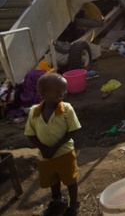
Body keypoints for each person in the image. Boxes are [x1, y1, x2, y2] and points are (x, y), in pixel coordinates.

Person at [25, 72, 82, 216]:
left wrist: (55, 147)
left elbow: (73, 130)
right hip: (45, 156)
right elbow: (30, 133)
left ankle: (74, 204)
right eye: (57, 91)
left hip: (64, 152)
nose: (62, 93)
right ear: (44, 93)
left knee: (70, 179)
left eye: (64, 90)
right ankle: (58, 201)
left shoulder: (66, 109)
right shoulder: (34, 112)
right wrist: (43, 148)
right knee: (53, 180)